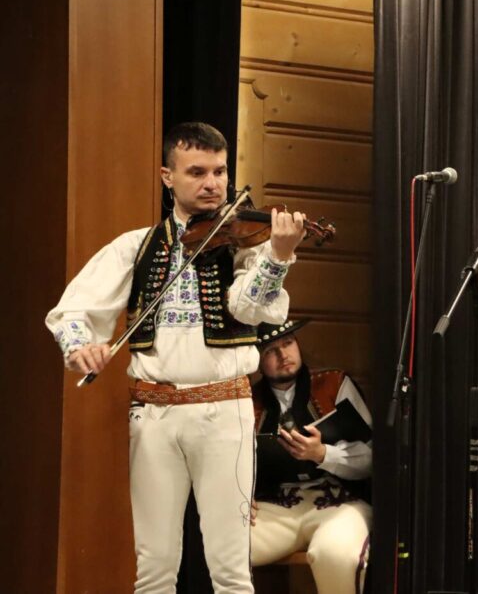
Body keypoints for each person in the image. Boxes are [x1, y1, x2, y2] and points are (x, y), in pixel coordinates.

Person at [46, 122, 306, 594]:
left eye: (220, 172)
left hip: (224, 410)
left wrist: (279, 256)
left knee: (230, 569)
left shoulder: (247, 244)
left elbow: (250, 308)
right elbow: (73, 311)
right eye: (197, 172)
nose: (212, 184)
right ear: (168, 176)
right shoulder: (137, 245)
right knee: (154, 567)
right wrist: (82, 346)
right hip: (154, 414)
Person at [249, 318, 372, 594]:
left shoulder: (334, 383)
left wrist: (323, 454)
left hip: (338, 502)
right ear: (257, 360)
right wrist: (240, 495)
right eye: (271, 350)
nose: (283, 355)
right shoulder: (248, 400)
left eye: (288, 343)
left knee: (336, 555)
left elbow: (372, 458)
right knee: (222, 549)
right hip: (276, 506)